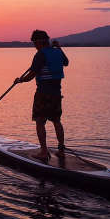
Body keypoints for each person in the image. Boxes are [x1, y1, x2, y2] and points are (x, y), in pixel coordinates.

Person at [15, 30, 69, 162]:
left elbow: (31, 75)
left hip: (43, 94)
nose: (34, 45)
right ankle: (61, 150)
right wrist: (59, 48)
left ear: (39, 41)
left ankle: (44, 152)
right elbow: (66, 62)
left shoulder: (40, 55)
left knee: (40, 121)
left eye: (34, 42)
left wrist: (20, 80)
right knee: (56, 121)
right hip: (56, 93)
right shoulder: (57, 51)